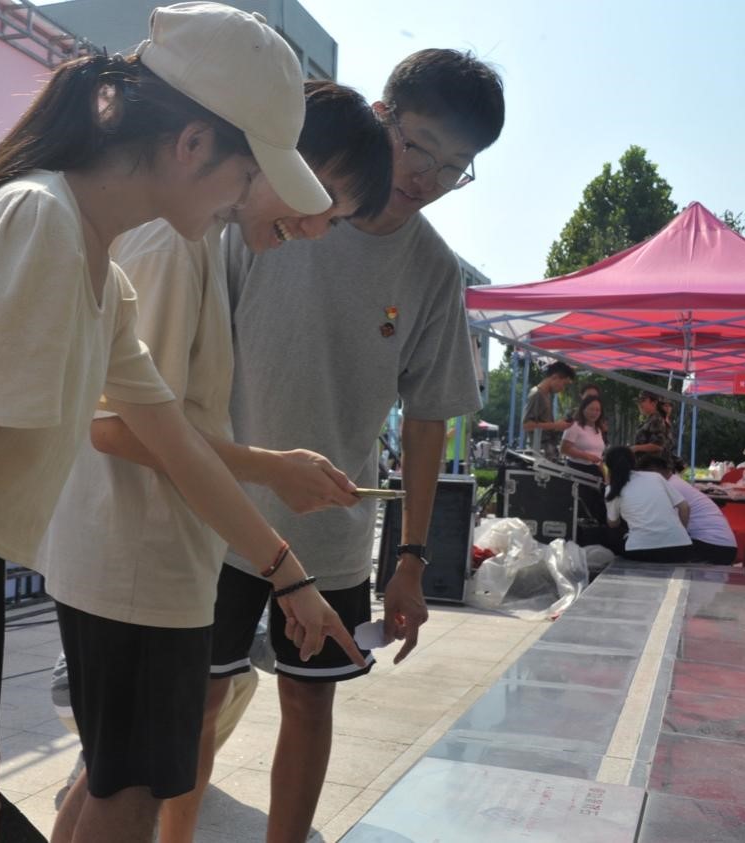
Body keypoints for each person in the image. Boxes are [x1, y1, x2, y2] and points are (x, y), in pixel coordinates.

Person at [0, 5, 362, 840]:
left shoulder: (99, 269)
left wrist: (288, 575)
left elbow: (173, 440)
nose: (241, 203)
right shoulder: (40, 222)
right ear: (192, 143)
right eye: (245, 177)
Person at [37, 79, 391, 843]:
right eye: (319, 197)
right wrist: (272, 486)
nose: (317, 227)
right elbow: (118, 429)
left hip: (143, 558)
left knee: (110, 777)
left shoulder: (191, 240)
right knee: (130, 788)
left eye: (337, 217)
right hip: (134, 560)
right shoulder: (174, 242)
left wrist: (278, 532)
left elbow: (159, 426)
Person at [170, 48, 506, 843]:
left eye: (454, 167)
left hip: (330, 531)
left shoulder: (432, 269)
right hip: (220, 508)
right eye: (419, 146)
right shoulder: (272, 212)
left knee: (309, 696)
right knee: (198, 699)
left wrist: (412, 556)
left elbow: (428, 417)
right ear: (380, 116)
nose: (427, 176)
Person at [603, 446, 693, 563]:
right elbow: (685, 507)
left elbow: (613, 524)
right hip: (681, 549)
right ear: (634, 461)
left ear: (608, 467)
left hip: (642, 551)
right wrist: (679, 533)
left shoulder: (612, 489)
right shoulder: (655, 477)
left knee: (610, 534)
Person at [662, 459, 738, 564]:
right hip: (722, 545)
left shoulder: (669, 486)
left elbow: (682, 512)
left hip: (713, 547)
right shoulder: (676, 482)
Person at [522, 362, 575, 461]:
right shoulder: (537, 394)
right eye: (564, 384)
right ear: (555, 377)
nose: (562, 388)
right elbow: (527, 425)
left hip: (547, 451)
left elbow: (543, 425)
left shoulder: (547, 395)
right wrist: (555, 425)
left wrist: (559, 425)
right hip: (540, 453)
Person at [560, 395, 607, 476]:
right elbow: (564, 449)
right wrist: (587, 456)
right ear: (583, 409)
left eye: (598, 410)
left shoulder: (598, 429)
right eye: (591, 409)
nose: (594, 413)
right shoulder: (574, 426)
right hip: (576, 470)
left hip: (595, 472)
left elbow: (598, 455)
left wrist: (605, 473)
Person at [632, 390, 675, 468]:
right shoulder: (651, 419)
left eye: (643, 401)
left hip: (654, 467)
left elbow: (658, 445)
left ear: (654, 402)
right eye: (638, 402)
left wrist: (635, 448)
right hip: (647, 466)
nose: (639, 404)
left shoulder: (657, 419)